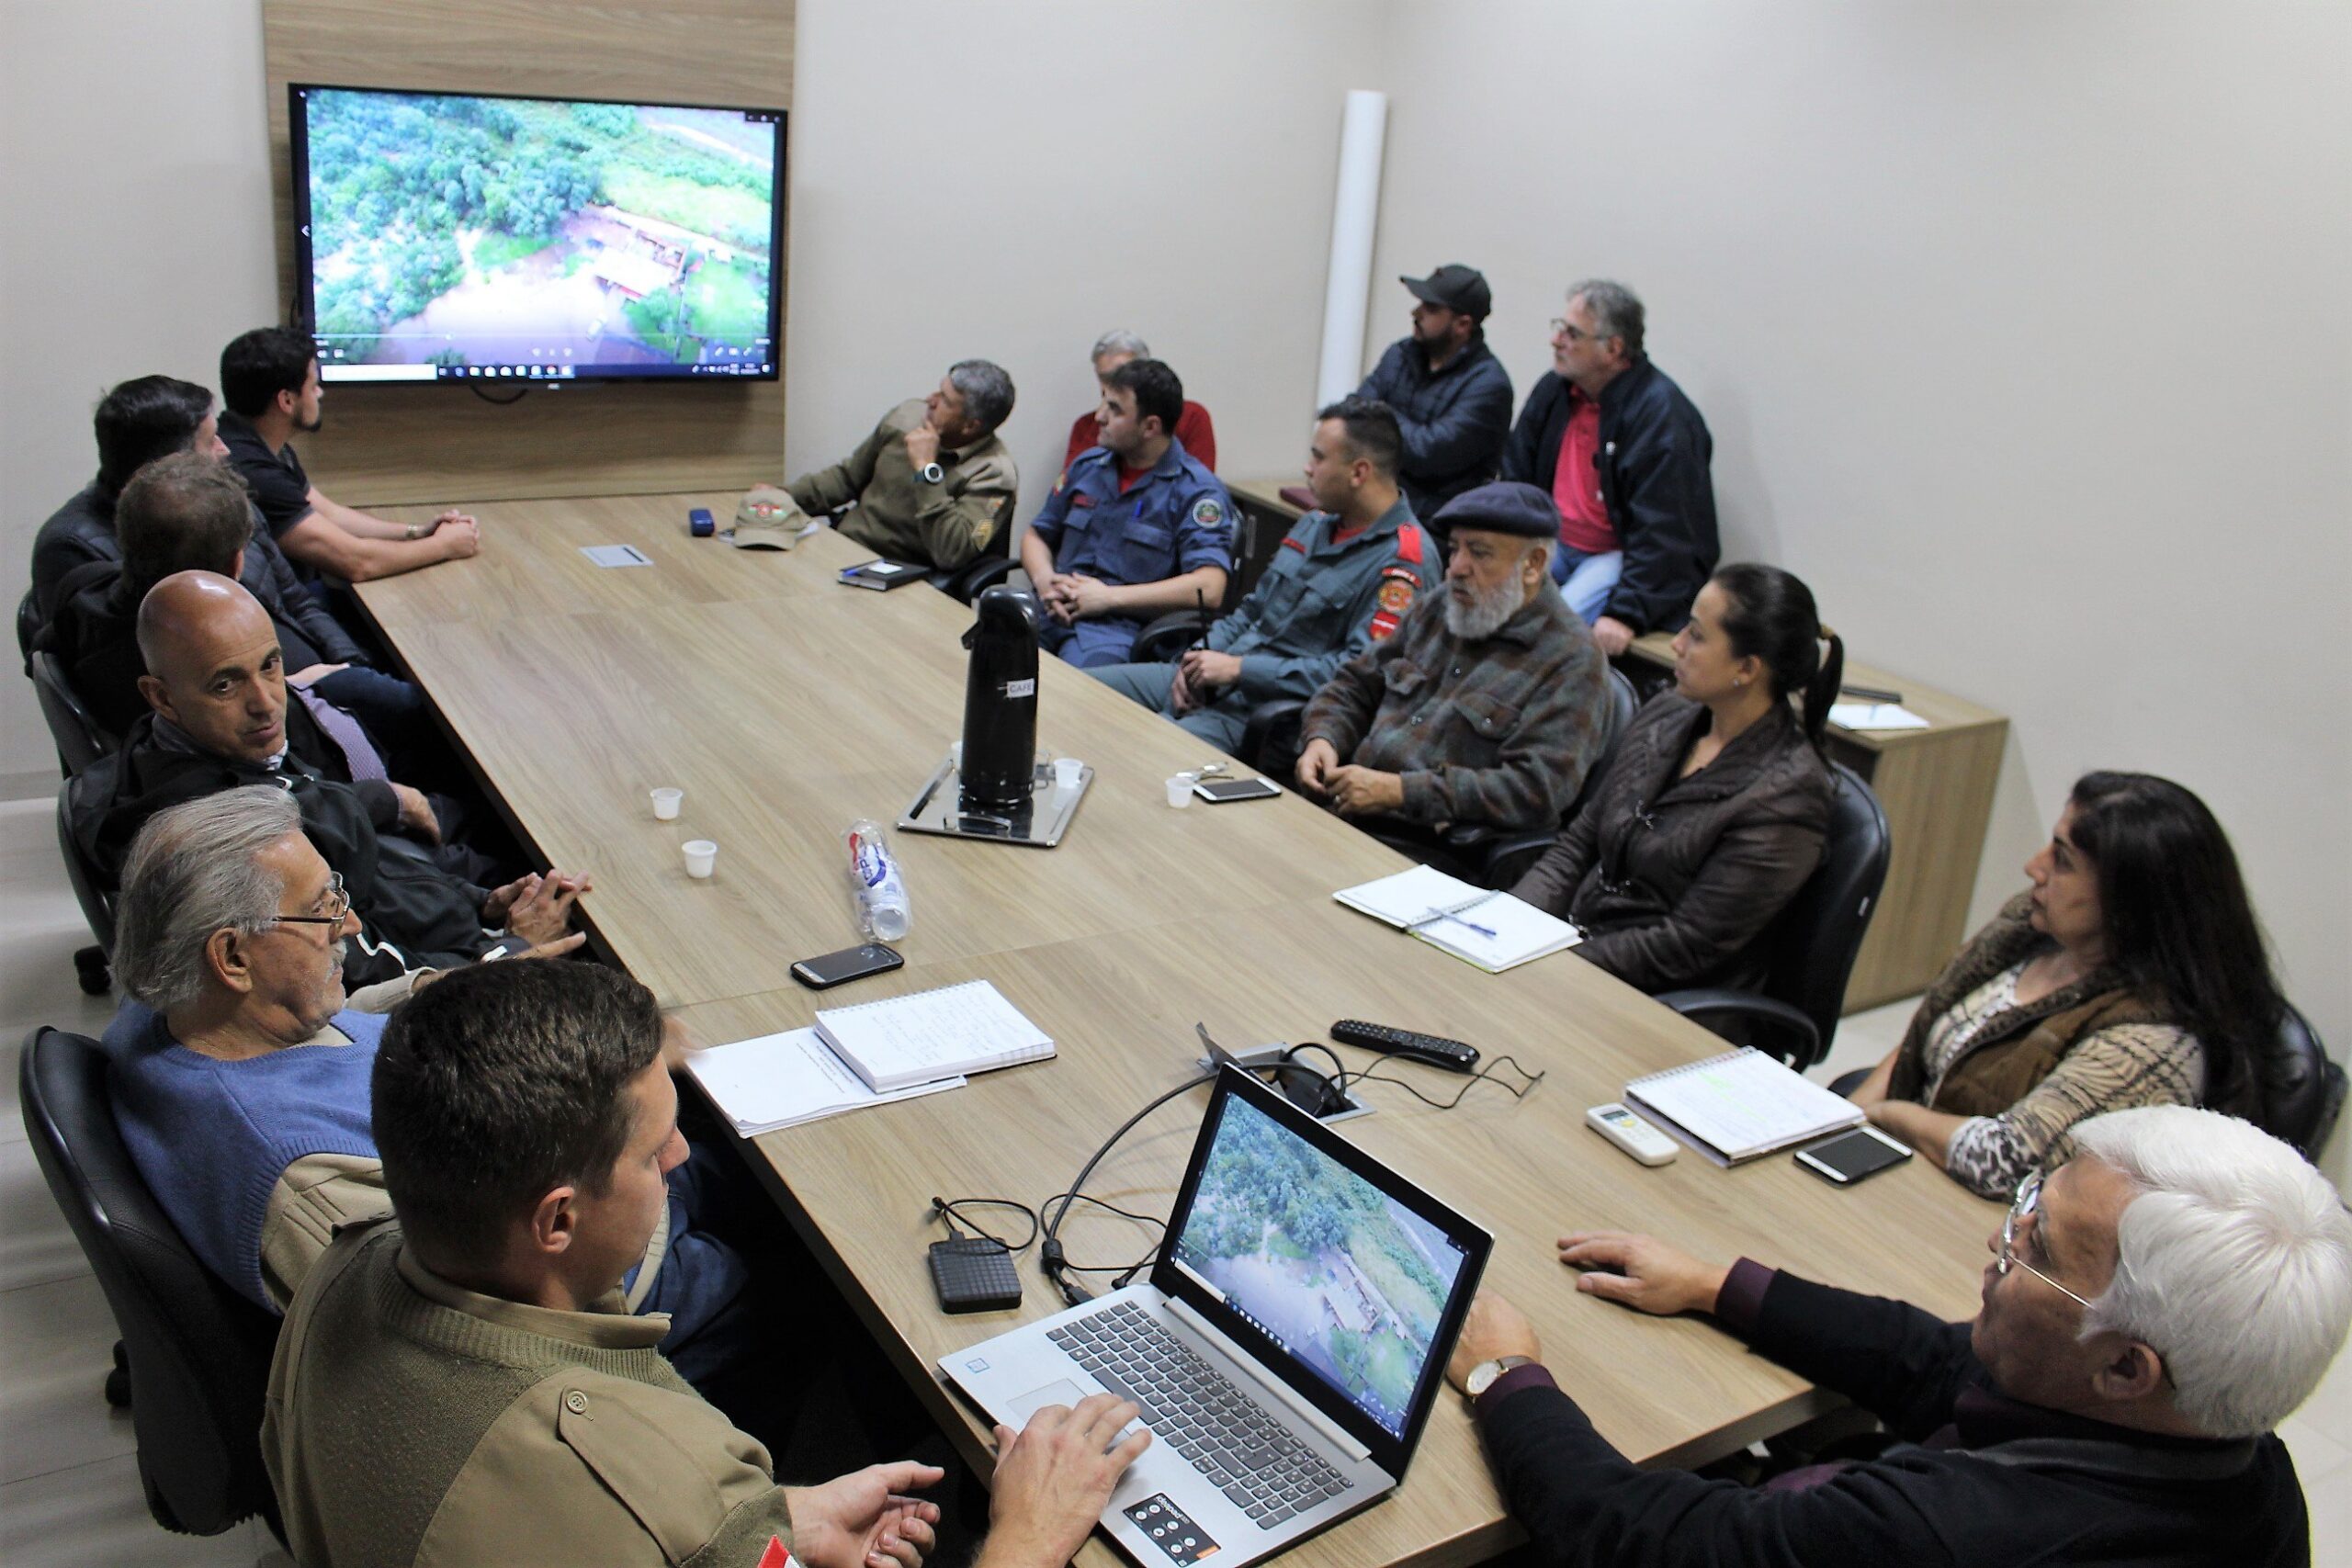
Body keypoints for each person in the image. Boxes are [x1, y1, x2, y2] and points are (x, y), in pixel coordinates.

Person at [265, 958, 1151, 1568]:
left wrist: (771, 1526)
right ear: (558, 1219)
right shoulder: (652, 1474)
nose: (683, 1157)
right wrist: (1025, 1534)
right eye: (653, 1153)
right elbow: (644, 1513)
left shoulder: (343, 1270)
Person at [1443, 1105, 2351, 1567]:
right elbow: (1935, 1358)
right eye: (2024, 1208)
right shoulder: (2231, 1447)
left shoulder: (1957, 1534)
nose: (1996, 1245)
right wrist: (1722, 1285)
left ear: (2123, 1365)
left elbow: (1649, 1541)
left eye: (2033, 1249)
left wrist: (1506, 1376)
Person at [71, 571, 587, 987]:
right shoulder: (231, 838)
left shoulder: (207, 746)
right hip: (453, 990)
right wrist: (511, 949)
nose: (266, 703)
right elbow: (353, 981)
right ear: (160, 697)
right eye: (225, 685)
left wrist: (483, 904)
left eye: (271, 666)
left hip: (446, 926)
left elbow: (370, 864)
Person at [1845, 772, 2278, 1199]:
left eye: (2063, 860)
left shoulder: (2153, 1041)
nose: (2034, 867)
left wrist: (1888, 1114)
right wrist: (1847, 1115)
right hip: (1909, 1168)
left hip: (1986, 1223)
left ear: (2130, 901)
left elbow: (2005, 1160)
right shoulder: (2028, 931)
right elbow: (1931, 1032)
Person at [1511, 565, 1842, 993]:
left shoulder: (1788, 793)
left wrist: (1550, 964)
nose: (1677, 644)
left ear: (1747, 668)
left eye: (1698, 636)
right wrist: (1508, 926)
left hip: (1661, 1001)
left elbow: (1685, 946)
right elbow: (1578, 845)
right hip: (1579, 954)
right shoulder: (1669, 714)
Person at [1088, 397, 1433, 752]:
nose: (1307, 468)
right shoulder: (1315, 524)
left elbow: (1360, 675)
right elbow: (1250, 612)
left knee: (1134, 751)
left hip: (1268, 713)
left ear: (1359, 472)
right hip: (1218, 675)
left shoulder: (1403, 562)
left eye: (1318, 457)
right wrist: (1192, 664)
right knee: (1076, 693)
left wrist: (1241, 670)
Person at [40, 454, 427, 751]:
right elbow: (419, 716)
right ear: (236, 563)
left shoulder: (81, 592)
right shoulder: (269, 679)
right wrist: (303, 685)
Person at [1295, 480, 1608, 833]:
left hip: (1436, 848)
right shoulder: (1441, 605)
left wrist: (1401, 792)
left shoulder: (1572, 659)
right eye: (1455, 548)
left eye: (1479, 552)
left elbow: (1535, 789)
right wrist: (1324, 738)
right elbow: (1355, 684)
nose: (1457, 567)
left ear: (1533, 565)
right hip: (1347, 808)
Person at [1500, 280, 1718, 652]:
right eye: (1559, 328)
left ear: (1613, 348)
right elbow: (1516, 478)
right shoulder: (1555, 391)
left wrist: (1626, 612)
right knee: (1482, 598)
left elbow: (1666, 534)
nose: (1556, 341)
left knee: (1547, 629)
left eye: (1572, 333)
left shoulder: (1661, 416)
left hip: (1615, 557)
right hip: (1552, 542)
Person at [217, 325, 481, 583]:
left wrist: (418, 532)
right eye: (313, 386)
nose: (320, 393)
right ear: (286, 401)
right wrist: (444, 546)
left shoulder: (260, 443)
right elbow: (355, 562)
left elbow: (329, 514)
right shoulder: (250, 469)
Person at [1022, 357, 1233, 669]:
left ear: (1150, 426)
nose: (1099, 417)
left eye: (1115, 410)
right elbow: (1037, 534)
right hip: (1050, 609)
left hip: (1116, 629)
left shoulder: (1197, 491)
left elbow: (1210, 587)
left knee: (1075, 690)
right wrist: (1045, 580)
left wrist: (1109, 598)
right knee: (985, 652)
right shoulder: (1088, 466)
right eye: (1103, 404)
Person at [752, 360, 1020, 570]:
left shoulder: (993, 475)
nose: (931, 399)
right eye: (939, 389)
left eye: (946, 401)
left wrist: (927, 470)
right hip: (843, 548)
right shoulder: (907, 417)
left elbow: (950, 552)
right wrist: (784, 496)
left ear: (971, 425)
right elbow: (847, 479)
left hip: (903, 575)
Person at [1353, 265, 1514, 525]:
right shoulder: (1402, 353)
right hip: (1376, 501)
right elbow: (1352, 411)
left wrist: (1378, 414)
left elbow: (1427, 455)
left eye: (1431, 308)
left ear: (1462, 325)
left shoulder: (1488, 386)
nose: (1415, 313)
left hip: (1436, 524)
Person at [1063, 330, 1216, 472]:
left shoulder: (1191, 417)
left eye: (1120, 374)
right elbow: (1072, 486)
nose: (1109, 386)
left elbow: (1198, 480)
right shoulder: (1087, 426)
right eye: (1104, 378)